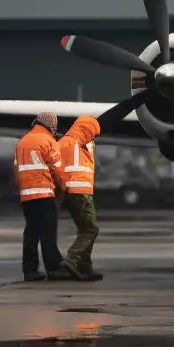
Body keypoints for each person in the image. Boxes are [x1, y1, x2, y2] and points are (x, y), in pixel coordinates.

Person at [13, 111, 68, 281]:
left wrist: (22, 190)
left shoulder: (22, 142)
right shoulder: (48, 141)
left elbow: (16, 169)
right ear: (51, 125)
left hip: (27, 196)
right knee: (48, 233)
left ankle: (29, 270)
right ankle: (54, 268)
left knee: (31, 233)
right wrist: (61, 190)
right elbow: (57, 170)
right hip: (44, 193)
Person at [57, 115, 103, 281]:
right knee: (91, 229)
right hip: (80, 191)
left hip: (72, 192)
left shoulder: (67, 142)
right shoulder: (78, 142)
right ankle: (73, 259)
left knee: (85, 228)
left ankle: (85, 267)